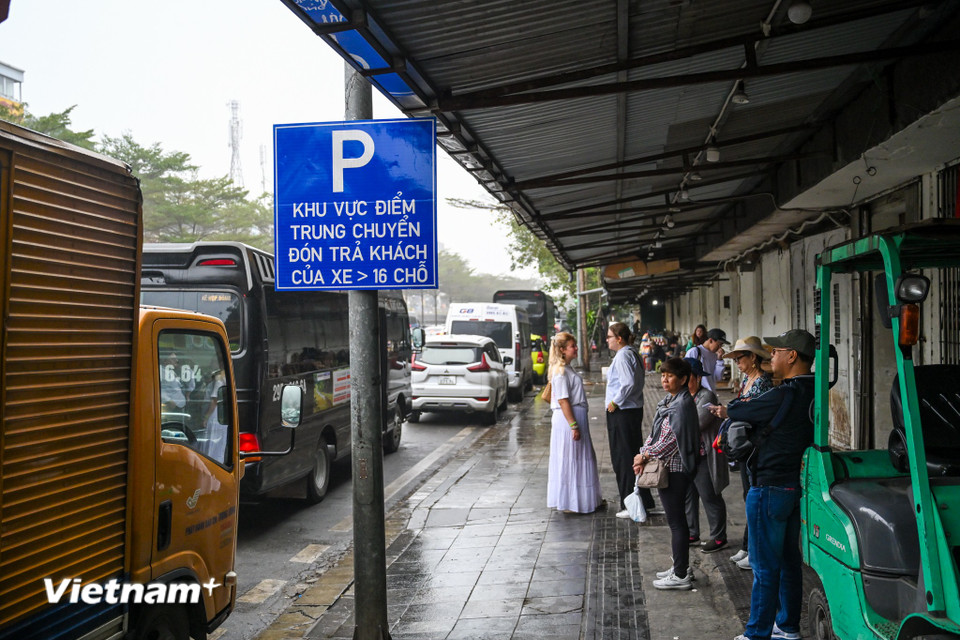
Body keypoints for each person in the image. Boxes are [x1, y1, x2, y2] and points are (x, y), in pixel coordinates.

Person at [709, 330, 816, 640]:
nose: (773, 357)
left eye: (778, 351)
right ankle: (788, 626)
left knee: (764, 567)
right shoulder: (814, 392)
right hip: (794, 486)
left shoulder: (785, 393)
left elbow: (740, 409)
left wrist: (733, 409)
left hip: (768, 486)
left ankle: (757, 633)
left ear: (792, 356)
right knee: (788, 562)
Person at [633, 357, 700, 590]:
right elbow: (656, 434)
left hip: (675, 469)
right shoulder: (671, 400)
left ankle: (681, 574)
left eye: (670, 375)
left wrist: (645, 455)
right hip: (670, 466)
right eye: (663, 375)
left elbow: (669, 442)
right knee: (677, 521)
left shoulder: (680, 405)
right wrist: (644, 450)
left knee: (677, 523)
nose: (664, 379)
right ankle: (680, 566)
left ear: (683, 379)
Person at [722, 336, 774, 569]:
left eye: (740, 357)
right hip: (744, 444)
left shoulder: (763, 383)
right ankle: (747, 546)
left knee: (752, 495)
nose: (737, 362)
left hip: (754, 444)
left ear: (753, 358)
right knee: (747, 495)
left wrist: (731, 411)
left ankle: (753, 549)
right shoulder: (747, 379)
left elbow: (751, 411)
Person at [547, 332, 604, 514]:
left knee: (579, 457)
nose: (576, 348)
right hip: (568, 418)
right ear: (563, 350)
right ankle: (571, 502)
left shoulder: (567, 368)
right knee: (572, 458)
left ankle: (580, 499)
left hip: (575, 415)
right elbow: (563, 400)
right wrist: (573, 425)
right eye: (573, 346)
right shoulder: (561, 371)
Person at [604, 322, 655, 518]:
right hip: (631, 410)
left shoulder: (624, 354)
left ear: (619, 338)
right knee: (632, 455)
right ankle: (642, 500)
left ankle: (630, 503)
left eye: (609, 337)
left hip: (623, 411)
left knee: (623, 458)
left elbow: (629, 383)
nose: (607, 340)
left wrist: (615, 402)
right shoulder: (631, 352)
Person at [683, 357, 729, 553]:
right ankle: (692, 532)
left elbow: (696, 424)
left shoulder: (706, 397)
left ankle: (719, 537)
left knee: (709, 495)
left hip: (704, 456)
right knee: (688, 496)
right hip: (688, 455)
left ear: (695, 377)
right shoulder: (684, 396)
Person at [685, 327, 728, 392]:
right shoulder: (695, 352)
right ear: (710, 340)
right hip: (696, 394)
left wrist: (720, 360)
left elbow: (717, 377)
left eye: (721, 345)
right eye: (719, 344)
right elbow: (685, 374)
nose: (720, 348)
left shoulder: (715, 355)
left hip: (710, 394)